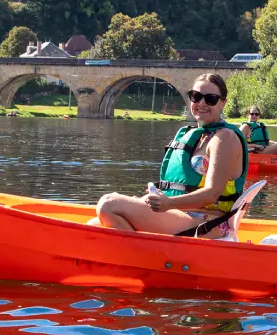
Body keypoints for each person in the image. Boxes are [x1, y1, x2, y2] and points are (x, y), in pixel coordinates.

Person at [89, 73, 249, 238]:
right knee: (95, 224)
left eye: (211, 99)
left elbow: (212, 194)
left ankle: (151, 258)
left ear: (223, 103)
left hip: (209, 222)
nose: (201, 103)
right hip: (180, 215)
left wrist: (168, 203)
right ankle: (149, 255)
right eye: (196, 96)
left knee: (108, 204)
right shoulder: (195, 135)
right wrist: (153, 200)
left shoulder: (225, 138)